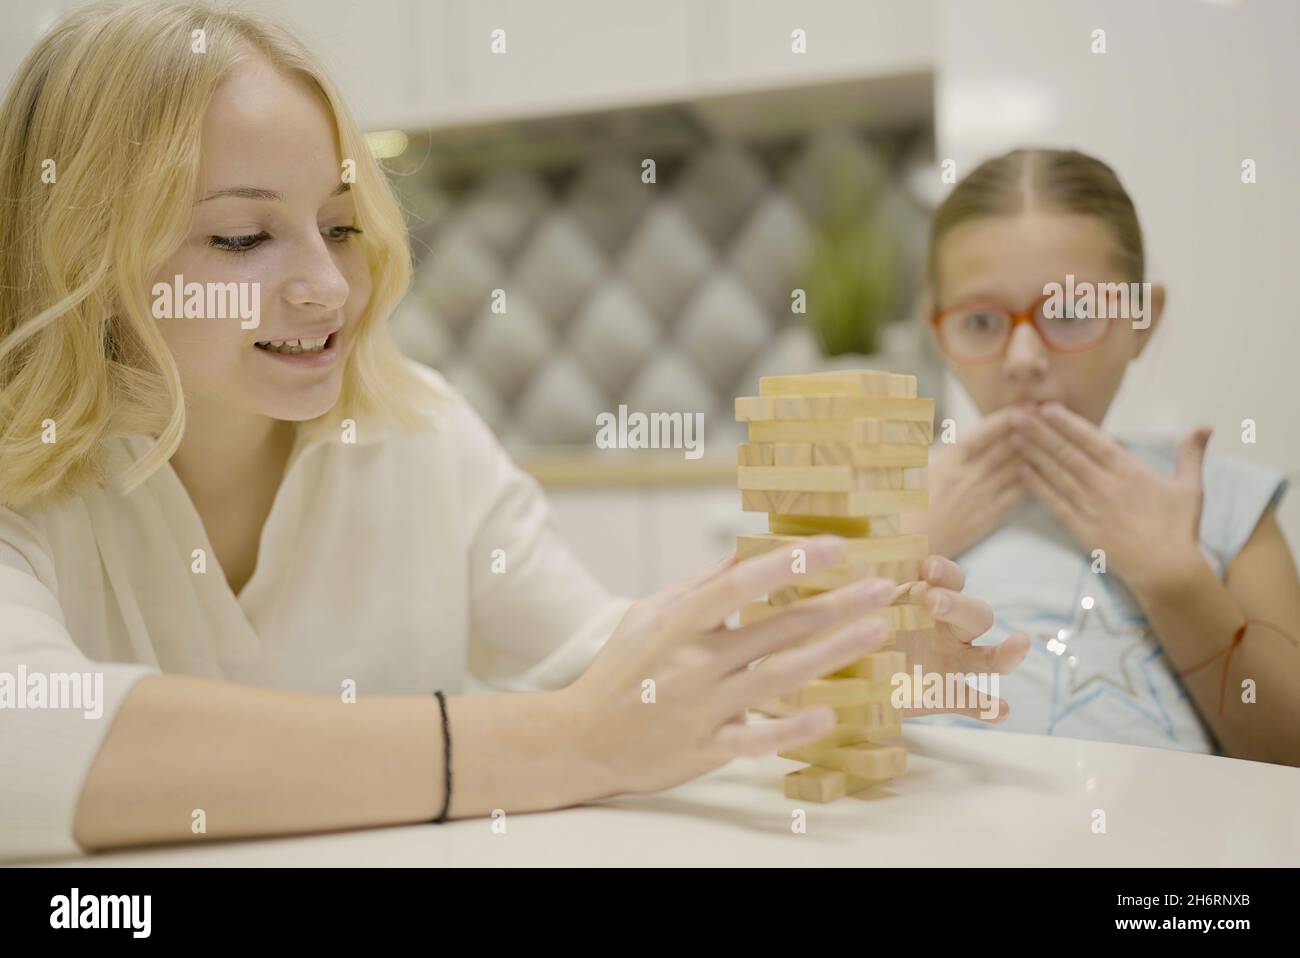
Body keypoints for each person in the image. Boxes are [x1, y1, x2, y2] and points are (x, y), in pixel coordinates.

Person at [0, 1, 1020, 861]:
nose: (324, 283)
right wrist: (558, 742)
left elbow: (592, 658)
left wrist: (826, 646)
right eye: (241, 235)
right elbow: (25, 738)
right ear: (84, 259)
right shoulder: (22, 476)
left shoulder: (417, 429)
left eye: (341, 226)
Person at [905, 147, 1300, 764]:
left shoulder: (1220, 501)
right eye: (981, 322)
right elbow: (776, 711)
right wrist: (893, 550)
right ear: (940, 336)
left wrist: (1174, 579)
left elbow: (1290, 752)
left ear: (1142, 319)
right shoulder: (895, 495)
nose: (1023, 360)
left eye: (1070, 312)